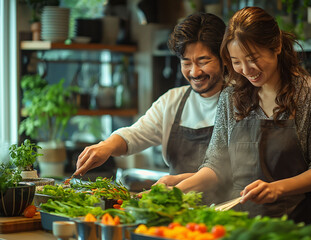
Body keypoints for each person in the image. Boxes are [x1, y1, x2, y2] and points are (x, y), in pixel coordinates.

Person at [175, 6, 311, 224]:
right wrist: (174, 192)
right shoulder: (230, 96)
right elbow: (215, 165)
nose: (246, 69)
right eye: (236, 61)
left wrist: (276, 188)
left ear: (276, 46)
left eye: (252, 58)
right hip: (240, 224)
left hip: (296, 224)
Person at [74, 13, 227, 200]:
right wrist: (106, 146)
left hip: (224, 211)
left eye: (203, 61)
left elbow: (231, 171)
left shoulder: (240, 102)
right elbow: (136, 134)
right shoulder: (173, 101)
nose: (194, 72)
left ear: (223, 58)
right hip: (175, 211)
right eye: (186, 62)